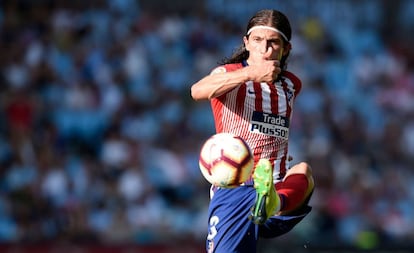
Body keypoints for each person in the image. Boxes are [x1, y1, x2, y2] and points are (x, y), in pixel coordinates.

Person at [190, 9, 315, 253]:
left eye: (273, 43)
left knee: (303, 171)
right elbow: (197, 90)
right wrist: (249, 73)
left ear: (286, 48)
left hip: (275, 190)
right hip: (236, 189)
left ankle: (273, 202)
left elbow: (268, 127)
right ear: (247, 43)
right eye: (257, 41)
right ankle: (270, 202)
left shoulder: (291, 84)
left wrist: (275, 149)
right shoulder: (230, 74)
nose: (264, 50)